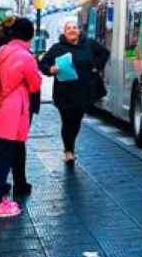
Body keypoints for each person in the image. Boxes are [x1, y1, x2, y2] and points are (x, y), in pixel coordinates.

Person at [0, 18, 41, 218]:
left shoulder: (1, 51)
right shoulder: (26, 56)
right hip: (10, 114)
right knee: (4, 159)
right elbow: (35, 85)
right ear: (30, 35)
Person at [38, 18, 110, 165]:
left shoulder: (88, 44)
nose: (72, 30)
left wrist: (97, 66)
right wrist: (50, 70)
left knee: (76, 121)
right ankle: (68, 150)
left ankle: (70, 146)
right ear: (64, 32)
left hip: (83, 91)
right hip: (64, 92)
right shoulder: (58, 48)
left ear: (79, 31)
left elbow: (104, 53)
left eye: (74, 28)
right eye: (68, 28)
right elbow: (43, 63)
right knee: (67, 121)